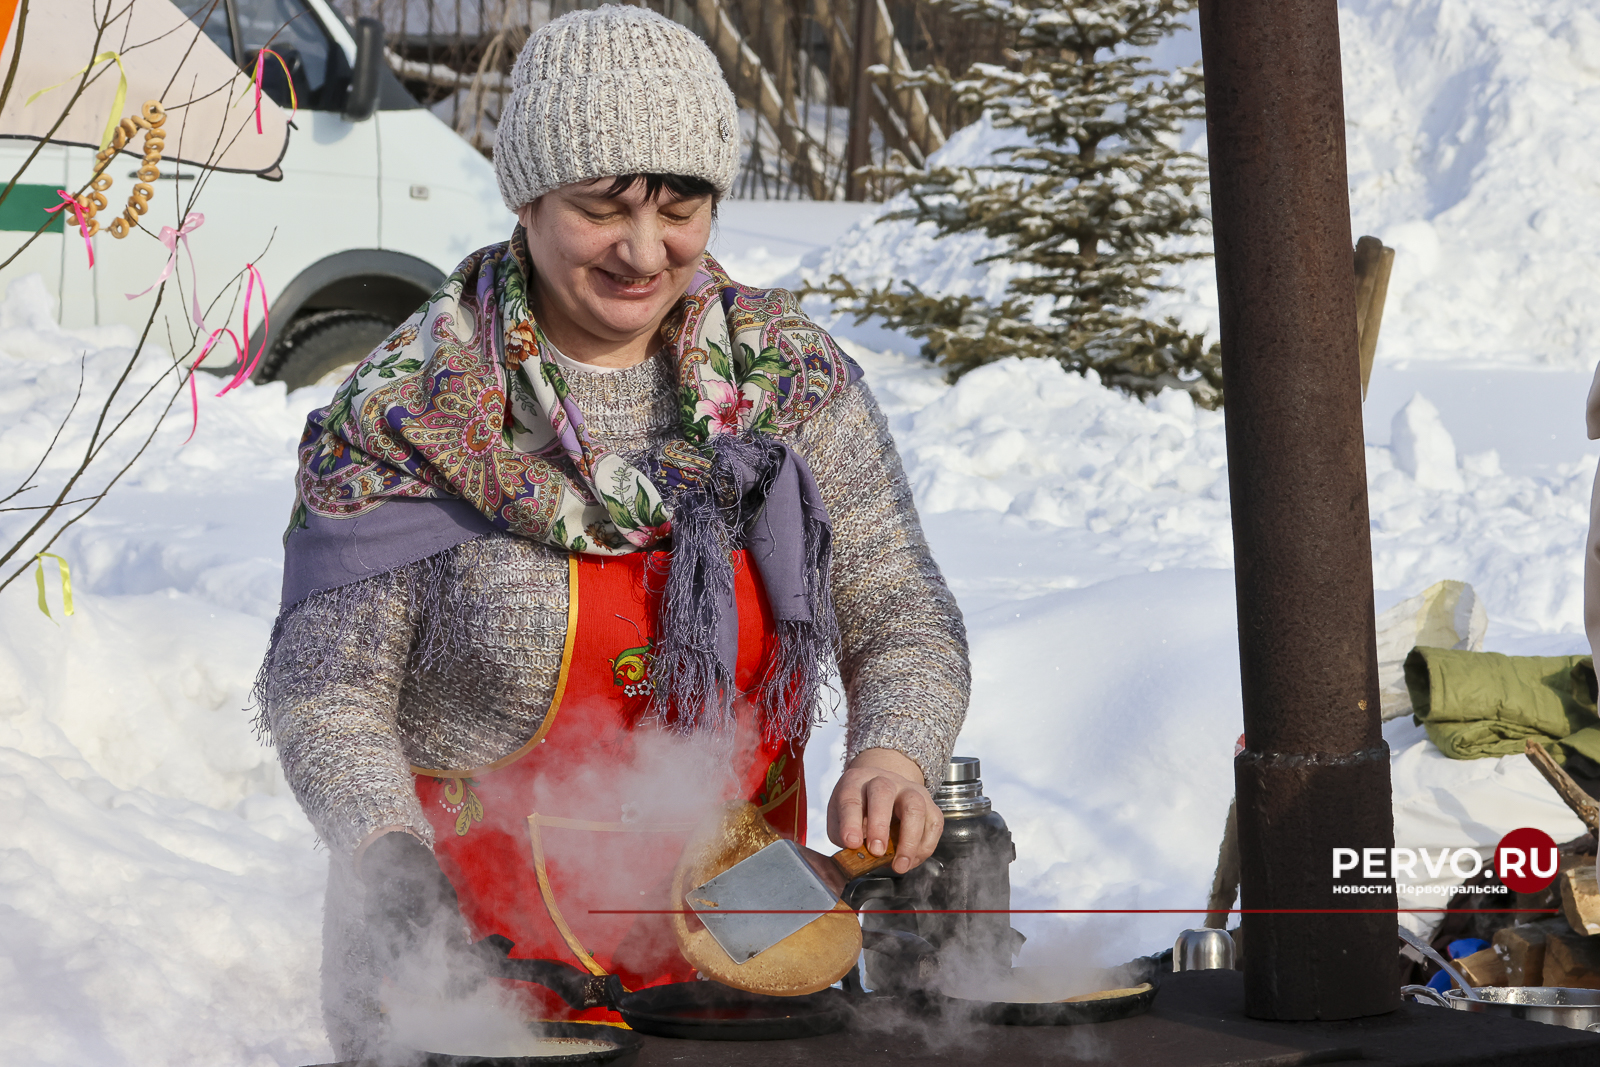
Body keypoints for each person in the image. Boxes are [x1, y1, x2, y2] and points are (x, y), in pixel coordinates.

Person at [258, 5, 969, 1053]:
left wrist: (897, 750)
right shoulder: (416, 409)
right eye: (604, 207)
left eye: (681, 206)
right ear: (529, 196)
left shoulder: (789, 383)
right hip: (467, 962)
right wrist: (384, 853)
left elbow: (900, 604)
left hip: (745, 959)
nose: (646, 249)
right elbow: (323, 684)